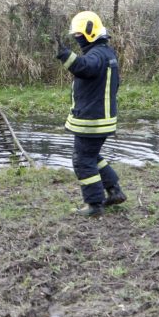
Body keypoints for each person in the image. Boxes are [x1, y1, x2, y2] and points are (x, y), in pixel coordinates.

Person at [55, 11, 128, 217]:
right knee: (92, 156)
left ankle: (94, 204)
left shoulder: (96, 55)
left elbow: (84, 68)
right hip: (101, 120)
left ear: (89, 33)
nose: (76, 38)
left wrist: (64, 54)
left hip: (92, 121)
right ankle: (114, 190)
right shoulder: (106, 52)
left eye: (78, 35)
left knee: (82, 160)